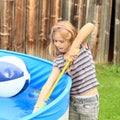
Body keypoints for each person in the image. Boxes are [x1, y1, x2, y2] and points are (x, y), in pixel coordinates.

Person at [33, 21, 99, 120]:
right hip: (71, 102)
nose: (58, 44)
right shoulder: (59, 61)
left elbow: (90, 26)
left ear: (71, 39)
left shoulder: (81, 47)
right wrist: (37, 107)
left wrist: (74, 46)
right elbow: (48, 84)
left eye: (61, 41)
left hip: (89, 102)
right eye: (55, 41)